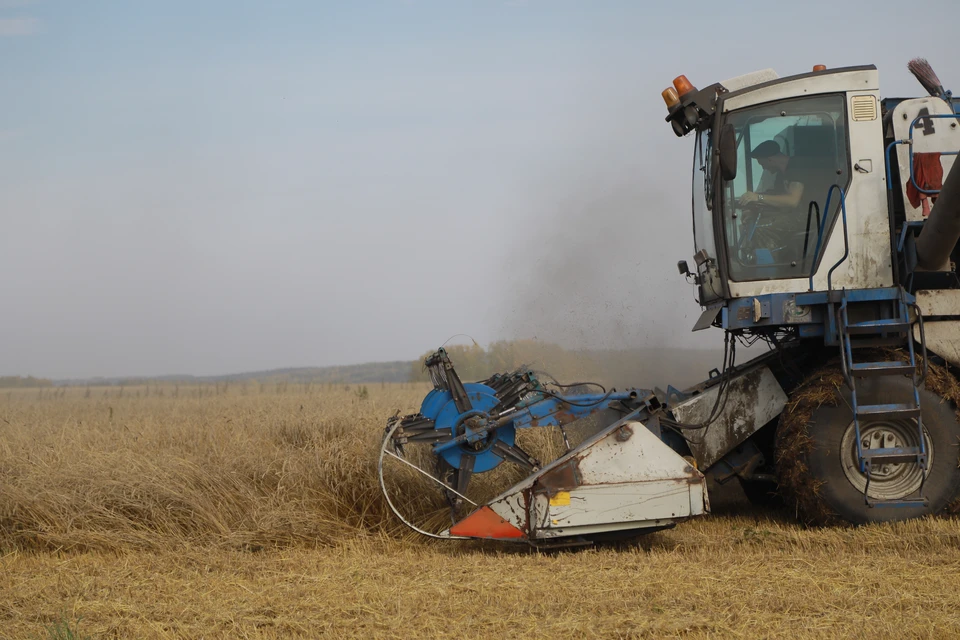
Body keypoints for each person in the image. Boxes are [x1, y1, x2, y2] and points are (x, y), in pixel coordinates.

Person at [738, 140, 806, 209]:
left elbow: (792, 201)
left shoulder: (796, 167)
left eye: (763, 164)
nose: (763, 168)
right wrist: (753, 198)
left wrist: (759, 197)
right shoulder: (780, 174)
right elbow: (777, 195)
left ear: (770, 160)